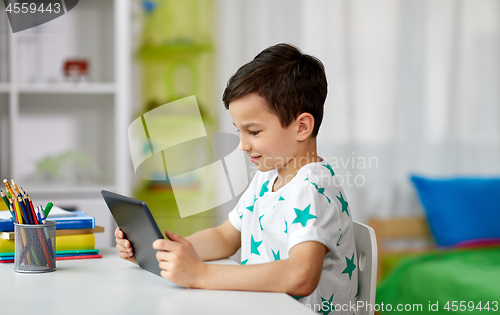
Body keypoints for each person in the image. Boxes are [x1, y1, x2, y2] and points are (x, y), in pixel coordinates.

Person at [116, 43, 357, 314]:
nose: (242, 144)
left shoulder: (313, 188)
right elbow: (224, 237)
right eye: (239, 131)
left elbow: (301, 275)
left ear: (301, 127)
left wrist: (200, 275)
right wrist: (163, 252)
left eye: (253, 132)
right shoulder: (267, 179)